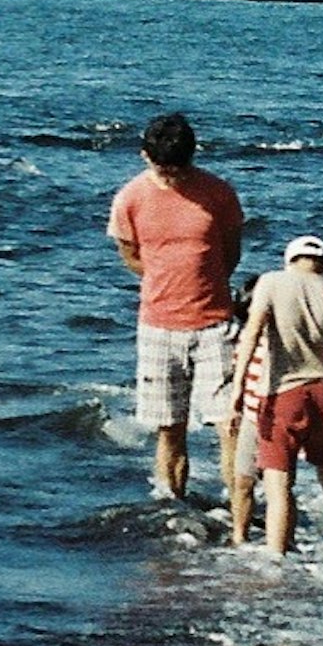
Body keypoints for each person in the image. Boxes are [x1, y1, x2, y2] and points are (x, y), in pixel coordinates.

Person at [108, 110, 243, 505]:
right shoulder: (130, 198)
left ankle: (240, 516)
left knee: (230, 425)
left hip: (216, 324)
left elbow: (230, 252)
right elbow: (130, 254)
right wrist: (166, 281)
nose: (173, 178)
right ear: (145, 157)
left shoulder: (219, 193)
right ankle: (172, 512)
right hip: (158, 327)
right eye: (165, 170)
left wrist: (204, 283)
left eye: (180, 169)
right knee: (169, 429)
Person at [224, 236, 323, 566]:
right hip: (322, 394)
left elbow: (251, 336)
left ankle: (276, 562)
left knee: (278, 486)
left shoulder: (271, 283)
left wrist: (237, 392)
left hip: (281, 394)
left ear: (290, 259)